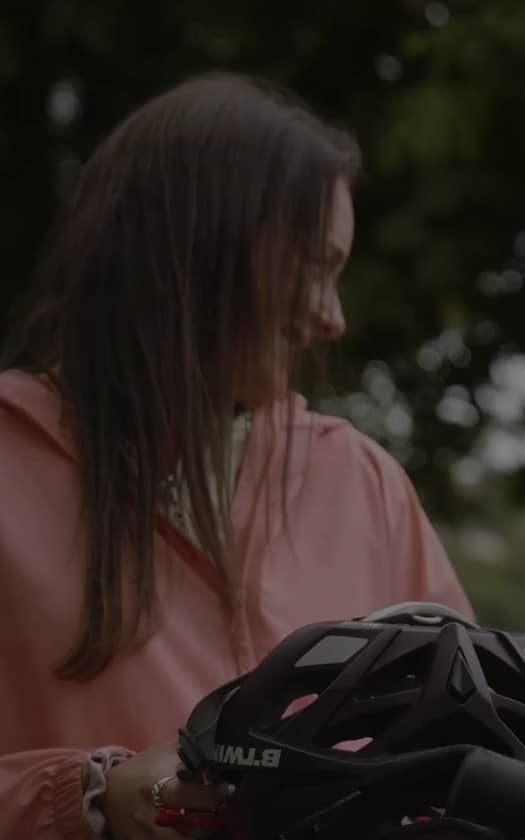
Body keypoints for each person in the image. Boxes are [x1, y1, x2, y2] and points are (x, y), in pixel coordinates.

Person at [0, 72, 472, 840]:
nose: (332, 318)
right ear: (196, 246)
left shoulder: (360, 481)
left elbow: (463, 753)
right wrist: (87, 802)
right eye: (314, 265)